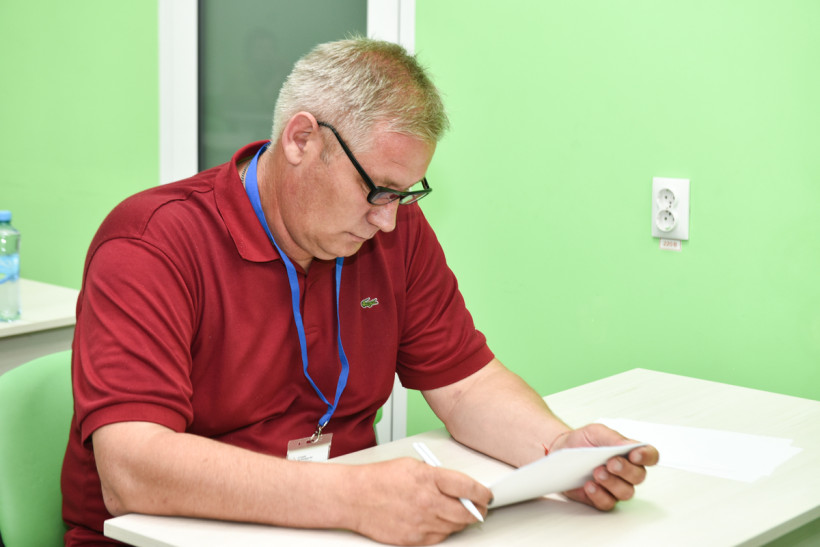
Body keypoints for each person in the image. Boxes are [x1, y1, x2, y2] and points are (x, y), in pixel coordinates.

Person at [61, 37, 658, 545]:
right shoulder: (151, 243)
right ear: (301, 140)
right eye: (377, 189)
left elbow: (466, 385)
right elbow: (131, 469)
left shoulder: (391, 233)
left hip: (328, 526)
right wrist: (351, 497)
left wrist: (556, 452)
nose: (389, 220)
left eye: (404, 194)